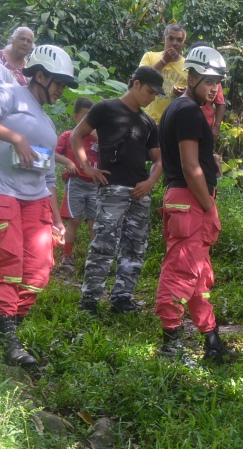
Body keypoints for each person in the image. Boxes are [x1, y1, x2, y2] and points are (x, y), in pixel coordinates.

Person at [0, 45, 77, 368]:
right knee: (9, 261)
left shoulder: (47, 123)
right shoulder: (10, 94)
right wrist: (14, 138)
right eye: (58, 83)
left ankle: (11, 326)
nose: (60, 90)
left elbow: (47, 177)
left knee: (39, 269)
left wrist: (57, 219)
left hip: (35, 199)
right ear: (40, 75)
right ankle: (8, 337)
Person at [156, 46, 233, 364]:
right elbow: (190, 167)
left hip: (184, 201)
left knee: (198, 276)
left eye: (218, 82)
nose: (214, 88)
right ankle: (170, 344)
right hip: (191, 201)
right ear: (192, 76)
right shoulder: (188, 110)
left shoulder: (179, 107)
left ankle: (211, 338)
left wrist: (209, 155)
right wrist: (208, 206)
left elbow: (190, 156)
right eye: (209, 80)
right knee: (180, 273)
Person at [74, 66, 165, 316]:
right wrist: (87, 168)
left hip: (139, 192)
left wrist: (150, 183)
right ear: (135, 83)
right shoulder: (105, 108)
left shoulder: (148, 122)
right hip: (112, 188)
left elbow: (159, 160)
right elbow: (76, 135)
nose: (151, 97)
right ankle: (89, 300)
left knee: (135, 245)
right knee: (104, 242)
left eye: (156, 94)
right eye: (149, 91)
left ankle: (122, 298)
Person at [55, 97, 100, 275]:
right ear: (75, 117)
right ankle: (67, 255)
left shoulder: (98, 138)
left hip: (95, 185)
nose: (89, 121)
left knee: (94, 223)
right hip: (76, 182)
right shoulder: (68, 136)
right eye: (84, 117)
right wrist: (67, 161)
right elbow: (53, 153)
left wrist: (101, 139)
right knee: (74, 220)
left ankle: (94, 259)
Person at [139, 23, 188, 123]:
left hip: (175, 123)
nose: (175, 43)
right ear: (163, 39)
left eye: (179, 40)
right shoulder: (150, 56)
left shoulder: (188, 66)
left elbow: (193, 95)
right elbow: (141, 79)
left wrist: (185, 93)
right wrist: (164, 61)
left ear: (184, 42)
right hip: (149, 121)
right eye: (170, 38)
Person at [187, 42, 226, 140]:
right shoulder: (191, 76)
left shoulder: (215, 81)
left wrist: (216, 127)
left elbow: (220, 104)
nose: (214, 89)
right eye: (209, 82)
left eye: (217, 83)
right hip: (191, 121)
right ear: (191, 80)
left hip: (207, 125)